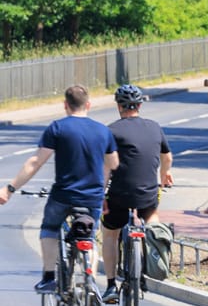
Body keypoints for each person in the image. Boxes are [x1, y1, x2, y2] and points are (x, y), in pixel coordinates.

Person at [0, 85, 119, 293]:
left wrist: (10, 188)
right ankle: (89, 279)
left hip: (63, 195)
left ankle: (48, 278)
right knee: (89, 238)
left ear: (65, 105)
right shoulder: (103, 131)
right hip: (92, 198)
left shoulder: (57, 128)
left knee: (49, 228)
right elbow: (114, 163)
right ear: (88, 105)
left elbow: (35, 162)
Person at [100, 84, 174, 304]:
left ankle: (111, 284)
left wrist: (102, 195)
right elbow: (167, 157)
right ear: (140, 105)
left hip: (119, 195)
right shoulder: (154, 127)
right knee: (152, 219)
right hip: (147, 194)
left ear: (119, 107)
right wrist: (165, 175)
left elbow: (105, 168)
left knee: (110, 232)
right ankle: (154, 258)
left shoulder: (111, 130)